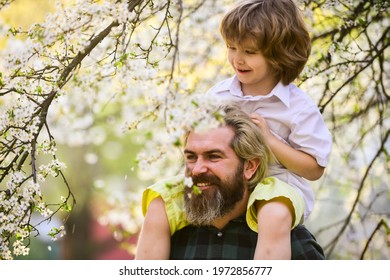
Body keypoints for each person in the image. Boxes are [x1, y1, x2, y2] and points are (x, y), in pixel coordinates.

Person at [136, 0, 332, 259]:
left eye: (250, 52)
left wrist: (269, 141)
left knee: (273, 213)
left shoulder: (298, 107)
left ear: (279, 53)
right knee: (160, 200)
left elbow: (314, 168)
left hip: (277, 186)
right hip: (227, 183)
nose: (238, 59)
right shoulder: (219, 94)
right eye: (231, 48)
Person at [136, 106, 325, 259]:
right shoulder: (170, 238)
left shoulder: (290, 242)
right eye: (191, 157)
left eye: (214, 156)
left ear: (250, 167)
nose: (197, 169)